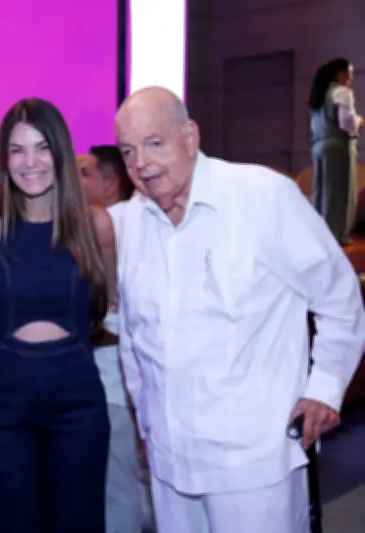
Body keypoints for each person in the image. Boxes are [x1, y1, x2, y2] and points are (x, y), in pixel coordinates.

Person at [113, 85, 365, 533]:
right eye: (128, 151)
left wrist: (325, 388)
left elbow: (339, 294)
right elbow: (136, 338)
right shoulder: (132, 221)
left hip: (253, 461)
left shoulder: (262, 196)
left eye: (155, 143)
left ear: (190, 137)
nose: (141, 164)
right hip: (171, 462)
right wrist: (146, 429)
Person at [0, 98, 116, 533]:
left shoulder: (96, 226)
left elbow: (110, 308)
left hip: (78, 404)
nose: (30, 162)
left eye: (41, 147)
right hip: (5, 407)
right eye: (17, 150)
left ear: (60, 152)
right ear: (4, 159)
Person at [80, 145, 151, 533]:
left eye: (86, 173)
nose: (76, 180)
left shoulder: (118, 225)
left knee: (119, 487)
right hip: (105, 382)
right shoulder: (100, 225)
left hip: (115, 380)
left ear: (111, 185)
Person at [308, 57, 362, 245]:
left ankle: (320, 234)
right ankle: (336, 235)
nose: (350, 78)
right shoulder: (342, 92)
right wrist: (360, 121)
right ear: (339, 73)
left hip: (319, 145)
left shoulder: (320, 95)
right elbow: (346, 123)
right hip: (338, 146)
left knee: (321, 191)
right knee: (340, 192)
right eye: (349, 73)